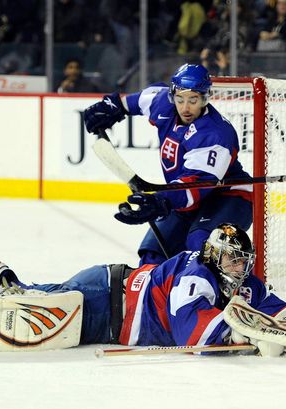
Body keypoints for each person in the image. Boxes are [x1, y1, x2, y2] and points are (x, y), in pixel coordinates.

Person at [0, 211, 286, 356]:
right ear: (213, 255)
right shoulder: (197, 275)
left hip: (107, 301)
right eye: (230, 257)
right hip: (103, 301)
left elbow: (277, 313)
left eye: (242, 260)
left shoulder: (242, 282)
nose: (239, 267)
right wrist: (254, 333)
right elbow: (195, 336)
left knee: (18, 296)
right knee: (18, 307)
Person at [83, 63, 253, 266]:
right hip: (183, 196)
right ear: (173, 95)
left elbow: (194, 187)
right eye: (180, 99)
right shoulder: (161, 101)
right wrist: (110, 108)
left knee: (203, 248)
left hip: (229, 196)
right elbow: (129, 103)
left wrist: (160, 201)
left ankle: (239, 288)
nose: (185, 107)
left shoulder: (215, 134)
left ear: (205, 98)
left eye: (193, 100)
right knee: (151, 255)